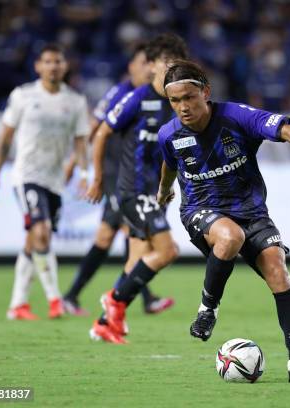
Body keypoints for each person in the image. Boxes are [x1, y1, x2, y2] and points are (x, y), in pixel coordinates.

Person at [157, 60, 290, 382]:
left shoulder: (236, 117)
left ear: (205, 92)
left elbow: (284, 128)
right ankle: (208, 310)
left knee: (278, 270)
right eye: (175, 101)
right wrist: (164, 191)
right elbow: (169, 165)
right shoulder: (169, 134)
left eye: (189, 97)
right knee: (230, 237)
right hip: (200, 209)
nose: (183, 107)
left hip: (250, 211)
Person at [85, 33, 187, 344]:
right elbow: (102, 133)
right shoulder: (138, 98)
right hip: (132, 191)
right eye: (165, 62)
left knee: (137, 260)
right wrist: (99, 178)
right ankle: (113, 302)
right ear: (152, 65)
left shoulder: (179, 103)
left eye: (175, 63)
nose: (170, 68)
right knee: (167, 251)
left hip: (157, 195)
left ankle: (105, 323)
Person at [63, 42, 172, 316]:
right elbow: (96, 128)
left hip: (132, 175)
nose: (146, 69)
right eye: (142, 63)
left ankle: (79, 296)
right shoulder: (123, 93)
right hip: (115, 173)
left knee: (112, 235)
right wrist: (80, 166)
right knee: (127, 231)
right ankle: (124, 298)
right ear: (134, 66)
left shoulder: (160, 96)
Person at [0, 44, 89, 320]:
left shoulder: (76, 101)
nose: (53, 66)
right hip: (26, 175)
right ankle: (55, 299)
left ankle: (17, 304)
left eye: (58, 61)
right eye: (48, 61)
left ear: (65, 66)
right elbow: (5, 138)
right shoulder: (23, 96)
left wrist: (83, 174)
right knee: (41, 231)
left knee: (35, 240)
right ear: (38, 66)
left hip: (55, 181)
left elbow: (81, 142)